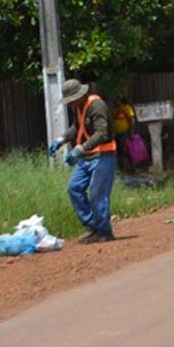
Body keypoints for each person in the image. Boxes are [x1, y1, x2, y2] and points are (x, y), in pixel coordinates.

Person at [48, 79, 117, 243]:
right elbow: (76, 128)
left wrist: (80, 148)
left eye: (72, 100)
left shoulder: (97, 105)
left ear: (80, 95)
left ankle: (105, 232)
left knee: (97, 194)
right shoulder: (78, 108)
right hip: (87, 157)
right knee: (74, 188)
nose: (70, 104)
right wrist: (61, 139)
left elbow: (102, 133)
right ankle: (93, 226)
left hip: (103, 155)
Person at [112, 97, 136, 171]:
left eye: (117, 100)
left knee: (126, 150)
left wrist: (131, 133)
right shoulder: (116, 110)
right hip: (117, 133)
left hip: (125, 132)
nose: (115, 102)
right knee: (119, 151)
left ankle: (131, 167)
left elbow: (132, 120)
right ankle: (122, 169)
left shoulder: (127, 108)